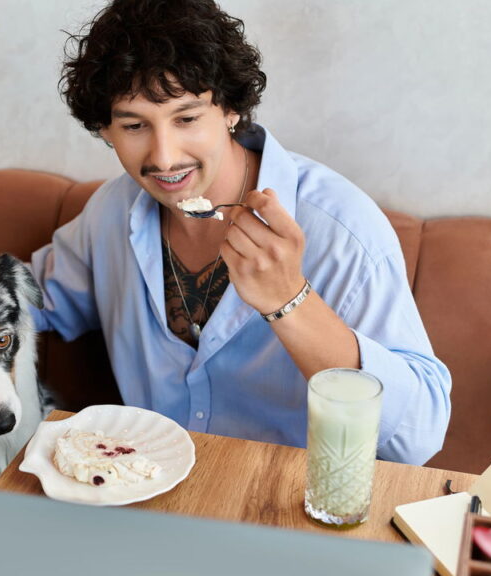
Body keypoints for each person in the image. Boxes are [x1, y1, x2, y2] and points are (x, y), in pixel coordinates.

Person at [29, 0, 450, 465]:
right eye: (134, 125)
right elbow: (32, 301)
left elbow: (418, 436)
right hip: (143, 490)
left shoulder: (343, 231)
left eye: (187, 118)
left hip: (289, 499)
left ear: (230, 108)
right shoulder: (111, 212)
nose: (164, 157)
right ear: (106, 130)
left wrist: (289, 299)